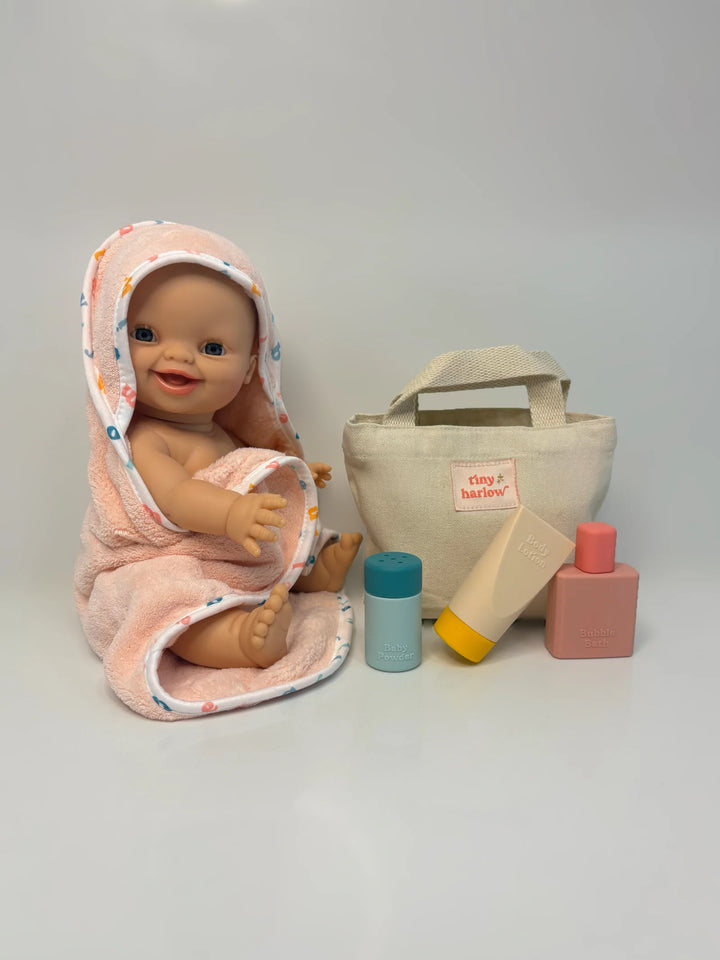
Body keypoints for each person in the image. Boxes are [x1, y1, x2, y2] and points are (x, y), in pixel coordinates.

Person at [125, 261, 361, 669]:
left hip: (235, 551)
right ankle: (239, 640)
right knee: (172, 603)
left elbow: (246, 469)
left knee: (282, 538)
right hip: (177, 557)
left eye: (211, 348)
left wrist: (291, 473)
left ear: (249, 370)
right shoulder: (148, 439)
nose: (179, 355)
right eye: (146, 335)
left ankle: (311, 576)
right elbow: (176, 497)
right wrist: (232, 511)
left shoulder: (223, 434)